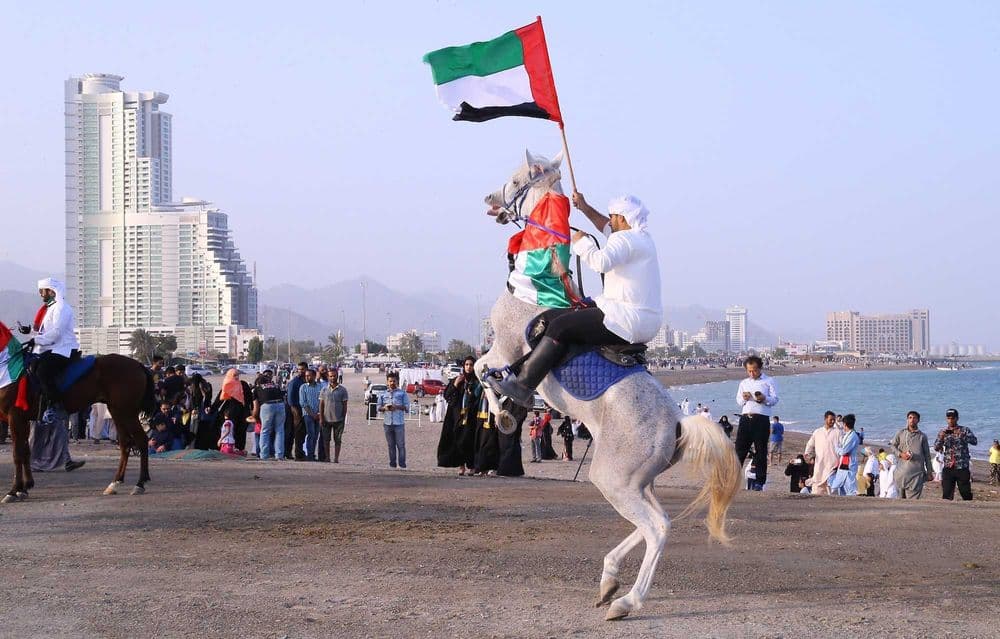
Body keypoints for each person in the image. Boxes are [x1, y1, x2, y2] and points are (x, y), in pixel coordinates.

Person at [487, 193, 663, 407]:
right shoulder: (641, 238)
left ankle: (523, 386)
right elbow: (607, 228)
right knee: (551, 318)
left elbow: (601, 263)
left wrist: (582, 243)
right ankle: (518, 370)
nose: (610, 221)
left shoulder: (625, 239)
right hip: (641, 319)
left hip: (626, 319)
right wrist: (585, 208)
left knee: (560, 326)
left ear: (623, 218)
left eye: (613, 217)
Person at [26, 278, 80, 422]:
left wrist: (36, 340)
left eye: (42, 291)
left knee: (42, 370)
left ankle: (57, 406)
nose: (40, 294)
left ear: (51, 291)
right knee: (32, 365)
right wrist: (30, 332)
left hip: (64, 349)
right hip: (53, 348)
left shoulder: (61, 307)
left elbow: (56, 333)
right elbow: (45, 332)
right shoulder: (51, 308)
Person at [734, 356, 779, 491]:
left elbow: (775, 399)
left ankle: (760, 481)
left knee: (761, 451)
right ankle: (732, 479)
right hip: (745, 418)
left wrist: (764, 398)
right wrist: (744, 398)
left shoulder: (768, 381)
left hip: (761, 419)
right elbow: (738, 401)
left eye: (754, 370)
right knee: (739, 451)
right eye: (749, 371)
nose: (752, 373)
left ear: (760, 368)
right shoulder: (744, 383)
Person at [436, 356, 480, 475]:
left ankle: (472, 466)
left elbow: (478, 399)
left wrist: (471, 395)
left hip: (471, 417)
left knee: (470, 440)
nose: (469, 367)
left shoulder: (477, 382)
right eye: (466, 365)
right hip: (457, 417)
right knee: (459, 441)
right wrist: (455, 384)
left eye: (471, 365)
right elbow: (448, 396)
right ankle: (461, 466)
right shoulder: (457, 379)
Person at [933, 408, 978, 501]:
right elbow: (936, 448)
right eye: (948, 418)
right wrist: (941, 438)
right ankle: (948, 513)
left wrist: (962, 435)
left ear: (957, 418)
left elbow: (974, 441)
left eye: (953, 418)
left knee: (965, 493)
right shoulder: (943, 431)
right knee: (946, 494)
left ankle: (969, 511)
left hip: (962, 466)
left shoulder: (964, 430)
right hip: (948, 466)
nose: (950, 420)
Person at [889, 411, 934, 499]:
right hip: (901, 474)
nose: (912, 420)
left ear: (918, 420)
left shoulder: (922, 436)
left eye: (914, 418)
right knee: (900, 503)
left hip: (916, 476)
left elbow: (927, 456)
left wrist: (929, 472)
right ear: (907, 420)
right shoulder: (901, 433)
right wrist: (900, 454)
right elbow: (892, 446)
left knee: (912, 504)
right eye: (910, 418)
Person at [804, 411, 842, 495]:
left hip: (833, 465)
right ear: (825, 419)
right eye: (830, 419)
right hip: (820, 464)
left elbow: (842, 447)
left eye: (834, 420)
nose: (832, 422)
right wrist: (807, 453)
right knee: (817, 489)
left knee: (831, 490)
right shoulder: (818, 432)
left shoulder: (838, 432)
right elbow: (810, 444)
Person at [377, 372, 410, 469]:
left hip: (399, 423)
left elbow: (407, 407)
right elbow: (378, 408)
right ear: (387, 382)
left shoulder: (402, 393)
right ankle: (392, 464)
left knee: (401, 445)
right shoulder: (383, 394)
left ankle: (402, 465)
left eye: (394, 381)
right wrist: (385, 408)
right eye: (390, 381)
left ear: (397, 381)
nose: (392, 383)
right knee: (391, 445)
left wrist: (397, 407)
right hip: (387, 423)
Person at [252, 369, 285, 460]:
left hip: (267, 406)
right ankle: (279, 455)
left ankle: (264, 455)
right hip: (280, 405)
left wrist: (254, 417)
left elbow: (256, 407)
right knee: (279, 430)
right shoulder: (275, 386)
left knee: (265, 431)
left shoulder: (257, 389)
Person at [318, 371, 349, 463]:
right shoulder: (324, 390)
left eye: (334, 376)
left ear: (337, 376)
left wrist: (343, 418)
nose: (332, 378)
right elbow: (321, 405)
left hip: (338, 419)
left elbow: (345, 405)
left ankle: (336, 458)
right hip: (326, 419)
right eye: (331, 376)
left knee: (338, 440)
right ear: (328, 377)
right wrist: (321, 418)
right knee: (326, 440)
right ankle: (327, 457)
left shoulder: (343, 390)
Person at [830, 414, 861, 496]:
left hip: (849, 464)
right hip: (844, 463)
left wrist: (836, 447)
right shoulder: (848, 434)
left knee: (850, 487)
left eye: (843, 424)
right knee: (839, 486)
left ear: (845, 424)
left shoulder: (853, 436)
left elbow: (844, 451)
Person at [286, 362, 308, 460]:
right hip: (294, 410)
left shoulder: (307, 380)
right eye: (299, 369)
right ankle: (290, 453)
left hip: (304, 410)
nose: (300, 371)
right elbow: (290, 399)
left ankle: (299, 452)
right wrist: (295, 412)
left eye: (302, 369)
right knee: (292, 432)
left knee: (302, 433)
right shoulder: (294, 382)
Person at [298, 369, 322, 461]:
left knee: (316, 435)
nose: (307, 377)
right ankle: (309, 455)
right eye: (306, 376)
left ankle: (312, 454)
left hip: (318, 414)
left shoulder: (320, 387)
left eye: (309, 375)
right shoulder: (303, 387)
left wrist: (319, 413)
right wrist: (312, 414)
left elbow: (322, 401)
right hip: (307, 414)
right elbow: (303, 403)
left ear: (314, 376)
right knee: (310, 434)